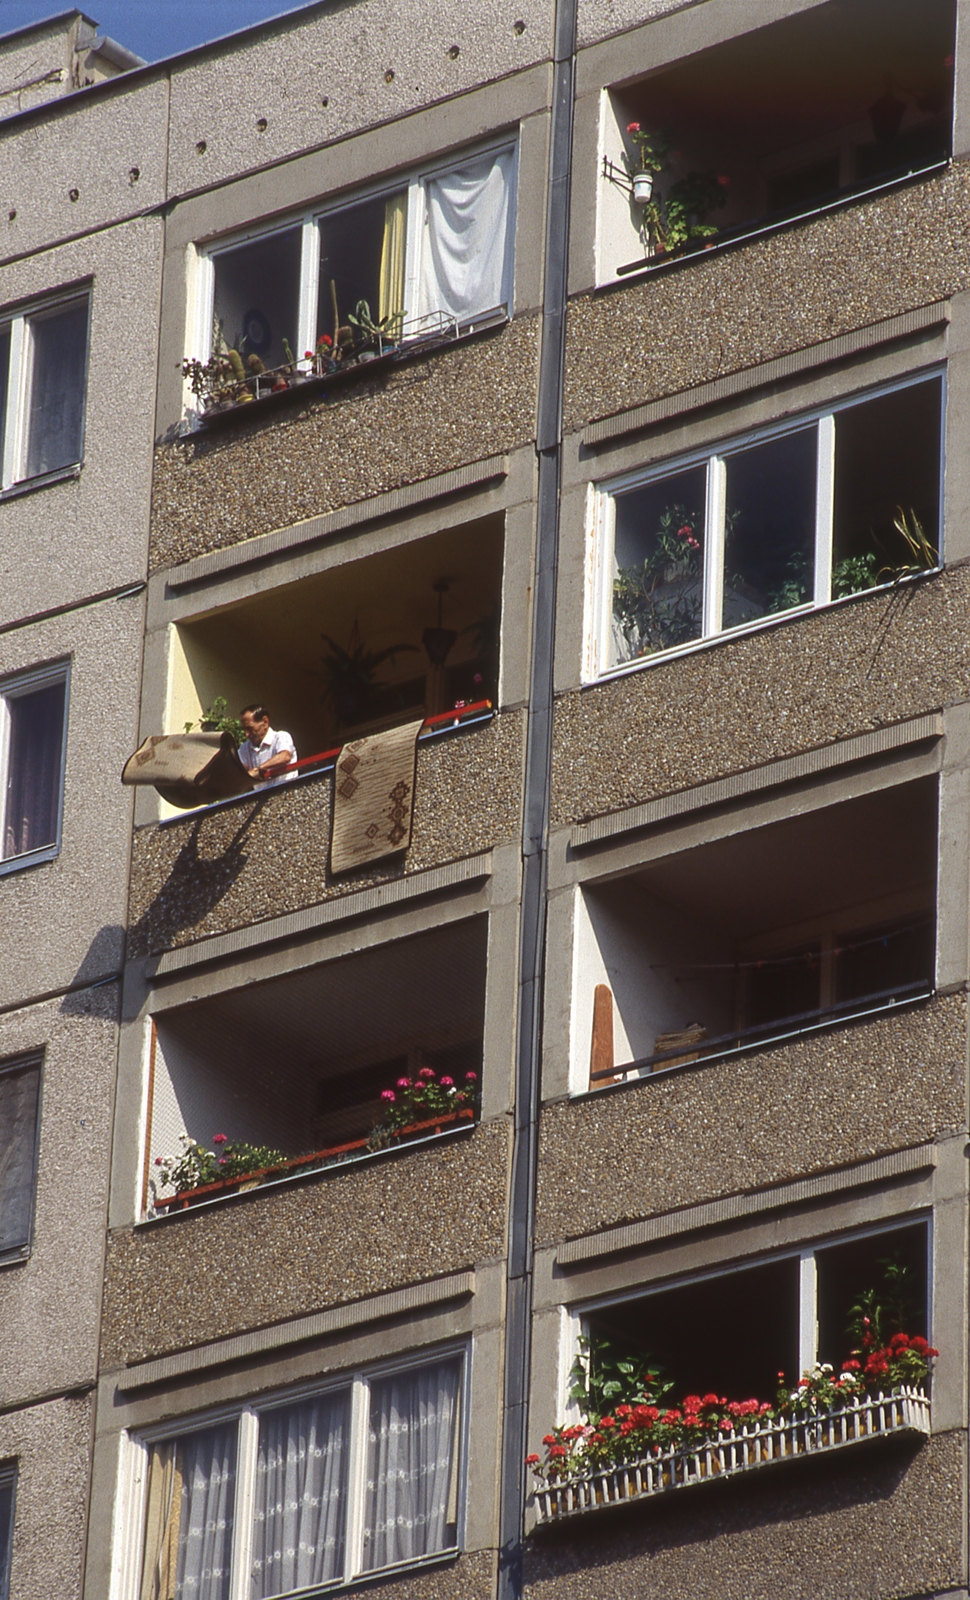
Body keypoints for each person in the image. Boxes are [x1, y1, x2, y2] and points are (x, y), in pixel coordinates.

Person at [237, 705, 297, 784]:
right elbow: (239, 772)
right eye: (244, 729)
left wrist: (260, 768)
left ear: (265, 722)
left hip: (286, 792)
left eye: (250, 728)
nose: (246, 734)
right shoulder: (244, 748)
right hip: (262, 795)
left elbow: (284, 756)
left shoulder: (281, 737)